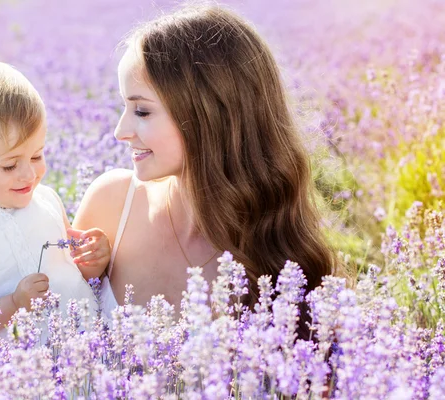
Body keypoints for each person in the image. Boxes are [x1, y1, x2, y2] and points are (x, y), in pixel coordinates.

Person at [72, 4, 336, 337]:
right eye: (124, 106)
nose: (120, 131)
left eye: (141, 111)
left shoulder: (269, 243)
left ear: (207, 115)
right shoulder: (111, 203)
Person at [0, 61, 110, 337]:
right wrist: (14, 303)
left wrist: (94, 263)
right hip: (26, 368)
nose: (29, 174)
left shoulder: (47, 199)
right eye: (9, 166)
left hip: (89, 341)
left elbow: (69, 274)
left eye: (37, 156)